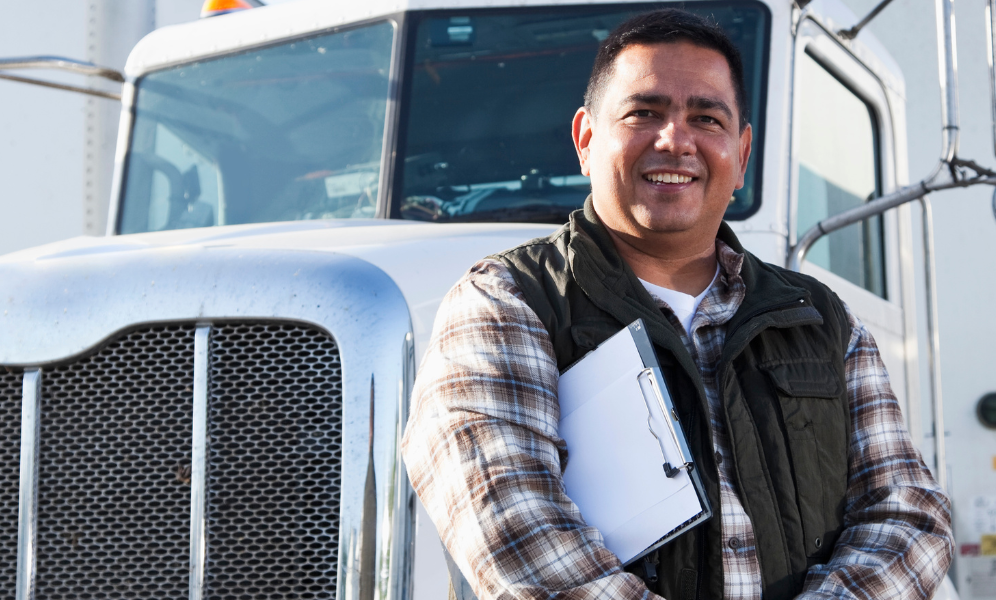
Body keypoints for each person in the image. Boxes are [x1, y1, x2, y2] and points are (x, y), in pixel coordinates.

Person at [401, 9, 952, 600]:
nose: (675, 140)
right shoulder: (506, 304)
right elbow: (514, 530)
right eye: (644, 112)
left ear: (741, 155)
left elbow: (908, 513)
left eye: (706, 118)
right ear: (586, 139)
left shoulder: (823, 319)